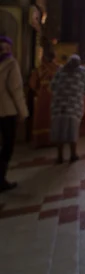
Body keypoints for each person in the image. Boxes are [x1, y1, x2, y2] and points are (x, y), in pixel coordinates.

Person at [50, 54, 85, 164]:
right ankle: (73, 154)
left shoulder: (60, 70)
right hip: (75, 106)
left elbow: (52, 86)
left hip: (59, 106)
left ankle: (60, 156)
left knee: (60, 131)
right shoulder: (82, 71)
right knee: (73, 131)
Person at [0, 36, 28, 192]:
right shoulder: (11, 64)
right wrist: (23, 112)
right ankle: (1, 180)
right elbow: (16, 90)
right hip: (7, 110)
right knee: (7, 146)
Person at [29, 51, 59, 148]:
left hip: (42, 97)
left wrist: (39, 90)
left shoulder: (38, 70)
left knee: (42, 118)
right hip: (56, 97)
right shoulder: (58, 69)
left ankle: (41, 140)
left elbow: (33, 84)